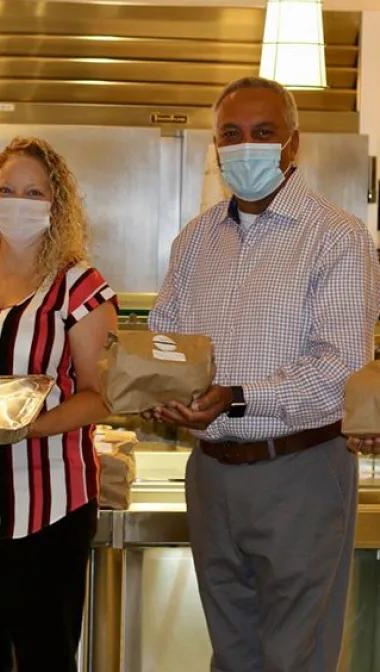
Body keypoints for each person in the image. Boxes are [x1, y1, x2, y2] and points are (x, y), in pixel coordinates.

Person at [149, 76, 380, 672]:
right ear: (215, 144)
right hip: (211, 477)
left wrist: (236, 399)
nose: (245, 146)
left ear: (292, 145)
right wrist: (158, 391)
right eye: (231, 134)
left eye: (263, 133)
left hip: (299, 473)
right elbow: (164, 342)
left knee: (293, 659)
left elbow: (341, 369)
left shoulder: (338, 239)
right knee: (232, 655)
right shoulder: (195, 241)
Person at [0, 137, 118, 671]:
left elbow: (102, 396)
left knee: (45, 659)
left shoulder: (81, 288)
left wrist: (27, 429)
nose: (18, 201)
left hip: (48, 508)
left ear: (57, 206)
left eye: (34, 192)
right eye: (7, 189)